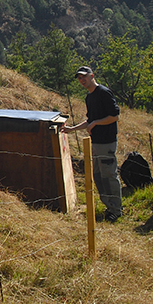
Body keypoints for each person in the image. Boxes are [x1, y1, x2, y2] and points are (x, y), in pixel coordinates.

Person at [61, 65, 123, 222]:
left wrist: (95, 123)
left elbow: (114, 116)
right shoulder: (89, 97)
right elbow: (89, 120)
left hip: (107, 142)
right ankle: (109, 207)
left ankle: (116, 210)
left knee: (109, 175)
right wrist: (72, 129)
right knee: (98, 176)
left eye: (84, 76)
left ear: (92, 76)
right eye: (79, 78)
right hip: (95, 143)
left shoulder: (103, 92)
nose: (82, 80)